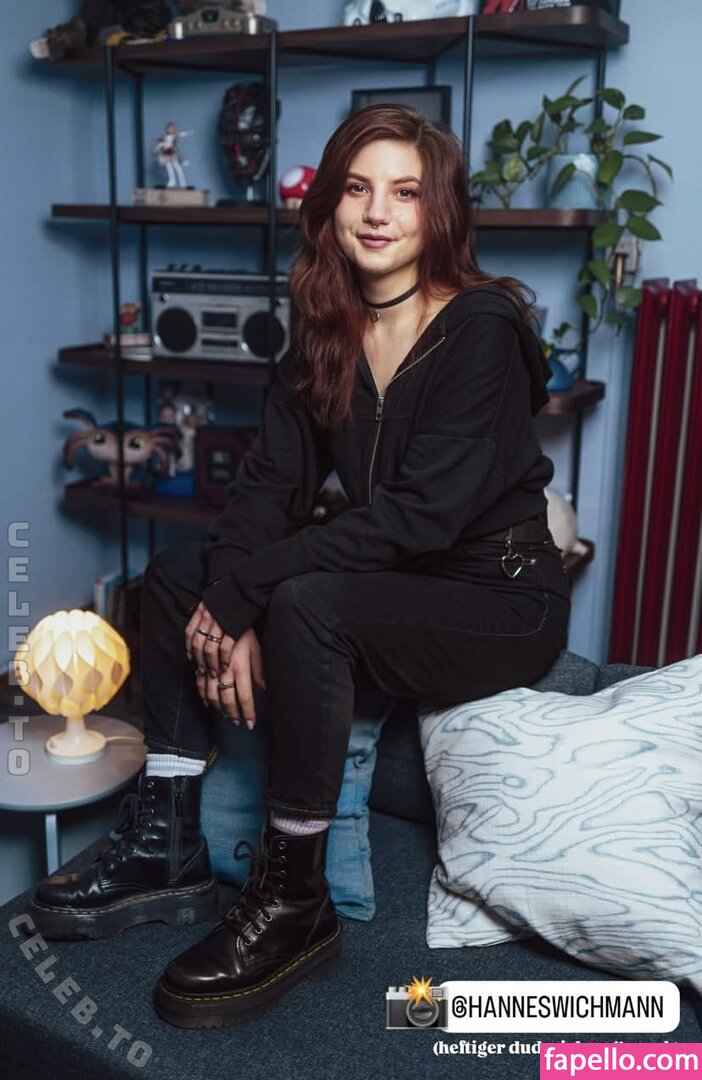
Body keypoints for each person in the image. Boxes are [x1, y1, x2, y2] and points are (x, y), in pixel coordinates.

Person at [28, 105, 571, 1028]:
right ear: (330, 205)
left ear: (439, 211)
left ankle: (295, 902)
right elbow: (266, 490)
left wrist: (252, 594)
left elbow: (422, 517)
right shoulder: (327, 322)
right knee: (178, 572)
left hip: (499, 594)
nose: (378, 212)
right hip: (400, 575)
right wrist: (225, 596)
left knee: (308, 601)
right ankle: (167, 843)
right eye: (358, 188)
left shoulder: (481, 327)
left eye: (406, 192)